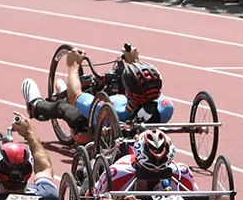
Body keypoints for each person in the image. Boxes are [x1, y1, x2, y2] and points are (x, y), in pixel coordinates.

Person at [20, 45, 173, 138]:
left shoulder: (111, 108)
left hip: (87, 124)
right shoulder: (166, 107)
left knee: (65, 106)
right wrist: (135, 63)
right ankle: (65, 89)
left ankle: (36, 106)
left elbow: (76, 96)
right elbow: (146, 89)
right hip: (132, 113)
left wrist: (73, 66)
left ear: (129, 92)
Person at [92, 130, 205, 200]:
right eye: (150, 170)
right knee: (92, 171)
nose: (155, 172)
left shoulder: (181, 171)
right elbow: (90, 196)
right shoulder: (116, 172)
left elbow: (197, 195)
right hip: (121, 169)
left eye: (160, 170)